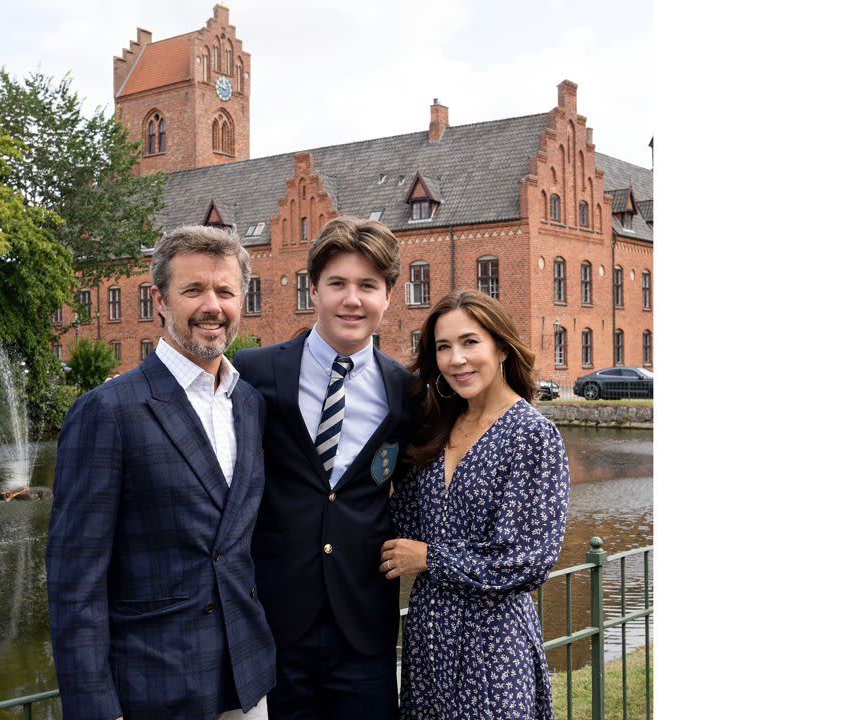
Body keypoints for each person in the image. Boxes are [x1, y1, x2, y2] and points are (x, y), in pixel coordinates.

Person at [45, 226, 274, 720]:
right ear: (162, 300)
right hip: (152, 687)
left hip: (246, 681)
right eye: (193, 290)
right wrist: (95, 709)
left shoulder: (249, 405)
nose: (212, 306)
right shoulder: (108, 411)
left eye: (225, 291)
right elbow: (75, 584)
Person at [233, 217, 418, 720]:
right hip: (275, 623)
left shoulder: (406, 391)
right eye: (337, 284)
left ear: (389, 295)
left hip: (364, 626)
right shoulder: (253, 373)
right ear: (313, 288)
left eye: (367, 286)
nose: (351, 300)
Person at [380, 290, 570, 719]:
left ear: (501, 348)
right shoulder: (434, 428)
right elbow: (403, 523)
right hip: (429, 641)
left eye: (470, 342)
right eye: (443, 347)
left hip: (493, 645)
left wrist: (431, 558)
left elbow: (528, 559)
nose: (456, 359)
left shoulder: (532, 436)